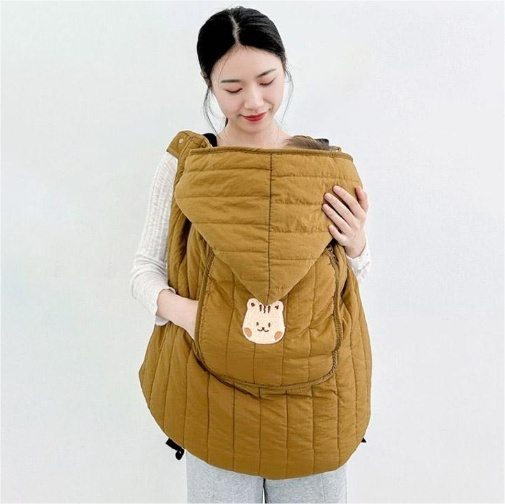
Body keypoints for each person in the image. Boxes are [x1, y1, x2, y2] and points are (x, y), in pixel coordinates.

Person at [130, 6, 372, 504]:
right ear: (208, 83)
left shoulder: (321, 166)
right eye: (233, 87)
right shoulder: (187, 165)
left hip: (314, 404)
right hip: (212, 396)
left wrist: (357, 246)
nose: (254, 101)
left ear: (285, 68)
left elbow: (340, 289)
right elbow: (145, 270)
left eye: (267, 80)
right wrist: (192, 315)